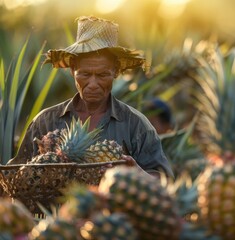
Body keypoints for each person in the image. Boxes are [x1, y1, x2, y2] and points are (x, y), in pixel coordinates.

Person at [7, 16, 174, 179]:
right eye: (85, 74)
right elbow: (16, 175)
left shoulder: (136, 125)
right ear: (72, 69)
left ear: (115, 71)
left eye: (102, 75)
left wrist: (137, 172)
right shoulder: (45, 121)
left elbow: (163, 180)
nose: (93, 84)